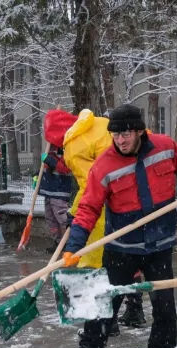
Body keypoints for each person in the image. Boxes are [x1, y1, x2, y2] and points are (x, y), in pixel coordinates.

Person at [62, 104, 177, 348]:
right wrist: (74, 246)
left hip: (160, 244)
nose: (121, 140)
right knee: (106, 302)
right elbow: (88, 207)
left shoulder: (164, 146)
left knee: (164, 304)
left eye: (126, 133)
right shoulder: (104, 165)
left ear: (139, 130)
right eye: (115, 135)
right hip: (121, 248)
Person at [52, 108, 147, 332]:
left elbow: (90, 185)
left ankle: (106, 321)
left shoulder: (73, 146)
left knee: (97, 261)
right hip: (136, 197)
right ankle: (134, 309)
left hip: (108, 206)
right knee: (129, 256)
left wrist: (75, 214)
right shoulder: (97, 125)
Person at [38, 145, 72, 253]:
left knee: (62, 218)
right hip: (48, 191)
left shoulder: (67, 149)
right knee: (50, 219)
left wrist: (49, 159)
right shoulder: (49, 148)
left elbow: (64, 168)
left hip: (59, 191)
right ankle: (58, 242)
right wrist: (37, 175)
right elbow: (46, 167)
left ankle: (71, 243)